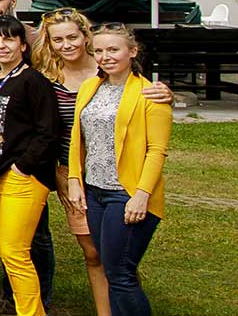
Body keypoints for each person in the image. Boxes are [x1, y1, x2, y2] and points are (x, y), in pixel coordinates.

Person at [65, 23, 170, 316]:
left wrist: (141, 195)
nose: (105, 57)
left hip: (127, 192)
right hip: (95, 191)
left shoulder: (150, 94)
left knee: (120, 273)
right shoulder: (91, 87)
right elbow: (77, 137)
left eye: (113, 50)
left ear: (132, 51)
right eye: (99, 51)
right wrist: (74, 179)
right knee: (112, 270)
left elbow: (156, 151)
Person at [0, 16, 62, 316]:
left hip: (21, 177)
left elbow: (48, 131)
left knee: (16, 252)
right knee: (6, 250)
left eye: (9, 39)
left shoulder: (33, 81)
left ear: (23, 45)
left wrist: (23, 167)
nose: (1, 45)